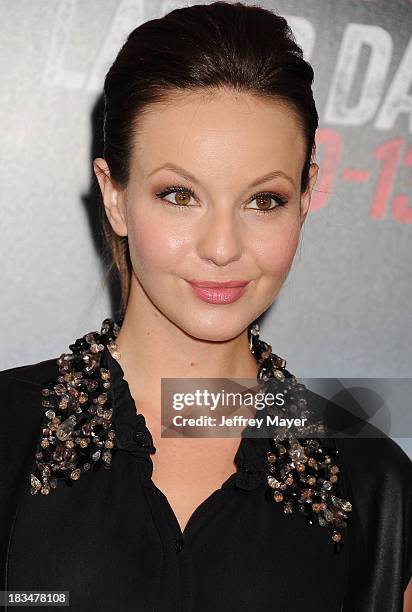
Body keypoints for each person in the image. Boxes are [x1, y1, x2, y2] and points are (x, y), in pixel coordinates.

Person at [1, 2, 411, 611]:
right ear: (115, 196)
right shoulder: (9, 432)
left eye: (263, 201)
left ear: (306, 196)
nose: (222, 248)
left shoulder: (370, 480)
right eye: (179, 195)